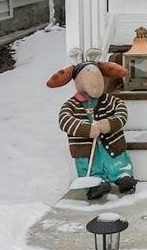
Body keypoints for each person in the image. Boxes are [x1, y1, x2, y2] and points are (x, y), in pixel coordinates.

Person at [47, 60, 136, 198]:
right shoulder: (71, 105)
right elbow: (64, 121)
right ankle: (95, 185)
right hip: (87, 150)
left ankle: (123, 176)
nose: (95, 84)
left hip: (111, 144)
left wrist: (109, 124)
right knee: (90, 166)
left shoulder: (110, 101)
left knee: (117, 160)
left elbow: (122, 112)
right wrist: (86, 129)